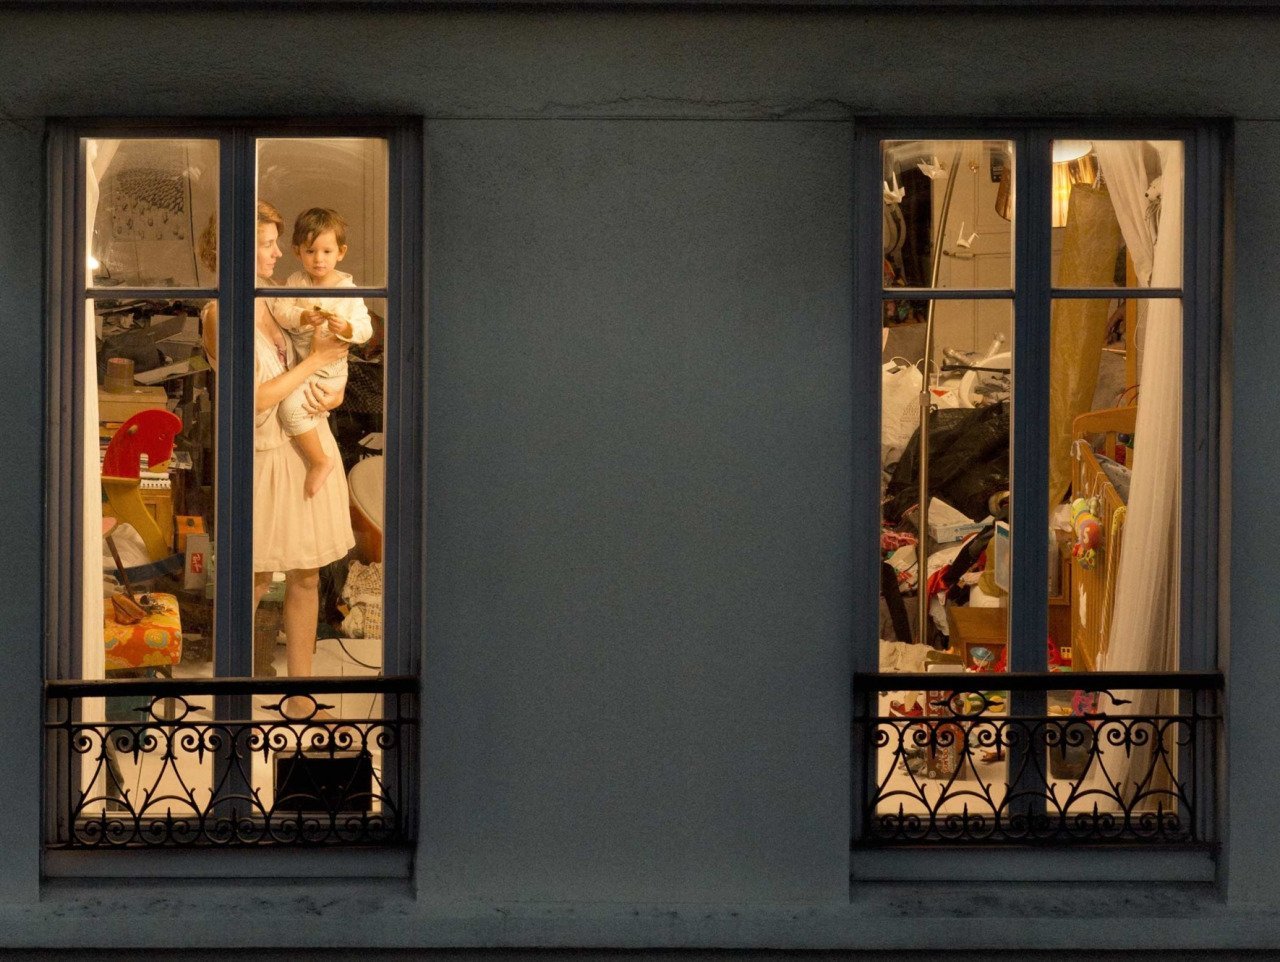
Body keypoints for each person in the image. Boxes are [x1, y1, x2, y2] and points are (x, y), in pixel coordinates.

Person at [250, 202, 356, 713]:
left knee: (307, 575)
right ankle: (232, 692)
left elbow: (336, 349)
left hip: (308, 441)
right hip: (268, 454)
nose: (278, 254)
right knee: (253, 576)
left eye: (275, 243)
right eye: (267, 244)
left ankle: (299, 694)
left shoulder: (276, 297)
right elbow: (255, 398)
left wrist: (335, 390)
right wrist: (315, 361)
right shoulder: (221, 313)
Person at [268, 207, 372, 499]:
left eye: (327, 251)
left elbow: (365, 328)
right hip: (303, 364)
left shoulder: (347, 289)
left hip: (330, 370)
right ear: (297, 251)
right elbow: (281, 311)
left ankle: (320, 460)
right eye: (310, 251)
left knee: (291, 410)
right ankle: (316, 456)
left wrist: (346, 327)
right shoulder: (296, 282)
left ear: (341, 252)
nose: (318, 259)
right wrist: (302, 316)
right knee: (294, 409)